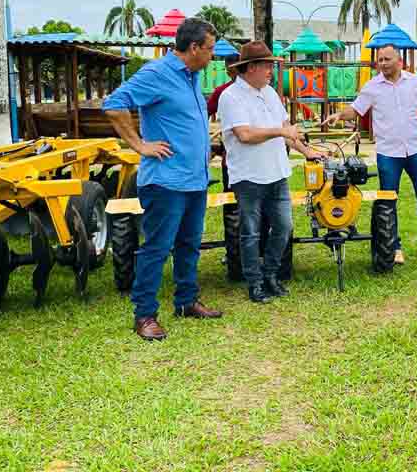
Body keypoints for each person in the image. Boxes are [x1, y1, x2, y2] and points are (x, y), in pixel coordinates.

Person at [104, 17, 223, 341]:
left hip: (195, 179)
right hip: (166, 182)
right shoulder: (157, 74)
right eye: (210, 49)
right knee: (157, 248)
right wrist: (140, 145)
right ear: (194, 47)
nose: (213, 55)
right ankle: (144, 315)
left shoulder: (191, 78)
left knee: (189, 245)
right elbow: (114, 105)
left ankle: (186, 301)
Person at [322, 44, 417, 264]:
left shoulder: (413, 82)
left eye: (386, 59)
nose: (382, 63)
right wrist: (339, 115)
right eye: (379, 60)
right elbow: (356, 109)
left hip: (415, 150)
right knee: (389, 202)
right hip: (388, 154)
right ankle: (395, 247)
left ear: (399, 61)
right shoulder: (372, 87)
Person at [217, 42, 326, 303]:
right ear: (251, 67)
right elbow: (244, 135)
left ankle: (270, 275)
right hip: (249, 176)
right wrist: (281, 132)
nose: (271, 70)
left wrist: (307, 151)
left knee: (283, 227)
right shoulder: (231, 97)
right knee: (251, 232)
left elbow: (286, 129)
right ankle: (254, 283)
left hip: (277, 172)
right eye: (267, 65)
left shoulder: (270, 93)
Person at [207, 53, 242, 282]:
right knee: (233, 209)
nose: (232, 71)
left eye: (234, 67)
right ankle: (233, 254)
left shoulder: (263, 90)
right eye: (230, 68)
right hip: (232, 161)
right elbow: (206, 112)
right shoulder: (222, 92)